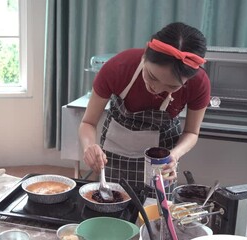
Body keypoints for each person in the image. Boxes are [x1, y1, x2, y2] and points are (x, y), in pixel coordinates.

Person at [78, 22, 210, 192]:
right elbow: (88, 122)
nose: (157, 89)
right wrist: (89, 146)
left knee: (156, 213)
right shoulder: (118, 67)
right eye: (152, 76)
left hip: (162, 159)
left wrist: (174, 155)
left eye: (171, 87)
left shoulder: (199, 83)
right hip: (114, 155)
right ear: (145, 57)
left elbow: (192, 132)